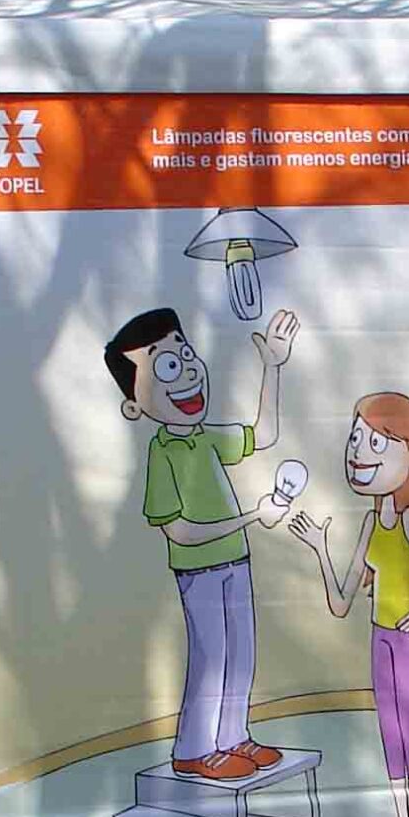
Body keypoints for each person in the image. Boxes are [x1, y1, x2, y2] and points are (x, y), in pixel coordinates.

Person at [103, 304, 300, 782]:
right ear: (134, 405)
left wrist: (272, 367)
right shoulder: (163, 453)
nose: (188, 372)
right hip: (199, 570)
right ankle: (194, 748)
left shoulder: (207, 439)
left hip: (235, 561)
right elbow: (179, 531)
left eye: (186, 355)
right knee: (211, 656)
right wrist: (252, 516)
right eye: (167, 366)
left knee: (242, 652)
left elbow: (264, 435)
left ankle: (233, 736)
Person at [290, 392, 409, 817]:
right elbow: (340, 602)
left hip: (408, 642)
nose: (359, 451)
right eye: (356, 439)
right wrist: (320, 549)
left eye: (376, 442)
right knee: (391, 732)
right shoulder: (369, 529)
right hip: (380, 641)